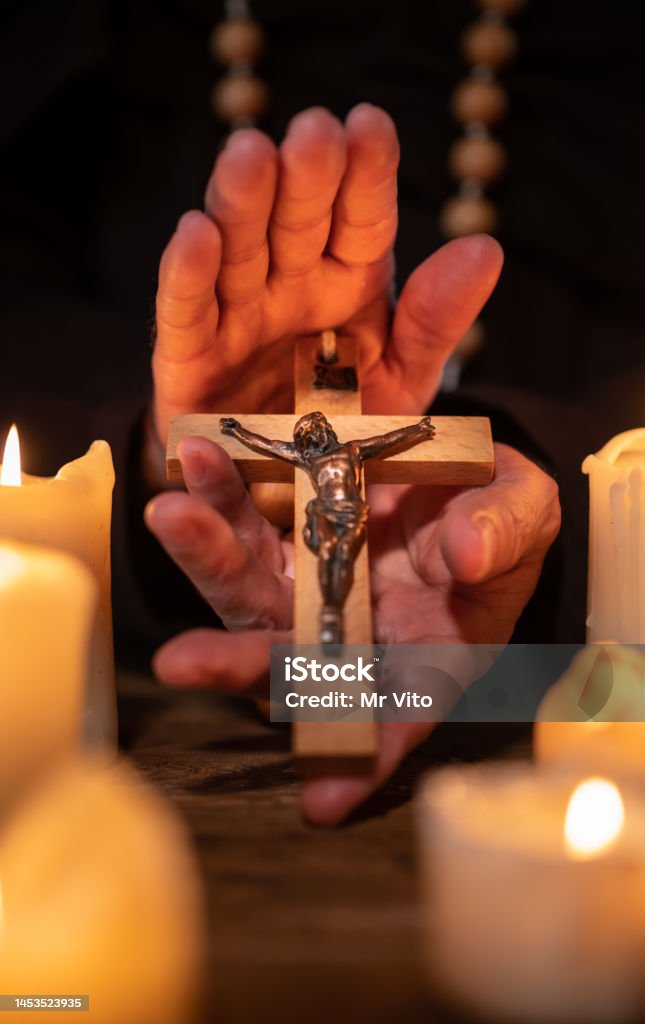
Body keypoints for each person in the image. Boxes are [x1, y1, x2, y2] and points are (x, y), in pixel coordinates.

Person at [143, 105, 560, 824]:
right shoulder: (299, 451)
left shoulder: (351, 446)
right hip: (319, 527)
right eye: (305, 439)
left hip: (355, 526)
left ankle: (334, 671)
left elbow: (389, 445)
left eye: (313, 436)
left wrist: (430, 430)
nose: (314, 442)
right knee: (332, 599)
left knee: (335, 592)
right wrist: (211, 435)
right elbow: (264, 446)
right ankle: (334, 673)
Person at [220, 410, 435, 644]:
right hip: (323, 510)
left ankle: (335, 607)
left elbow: (386, 440)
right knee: (327, 550)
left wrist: (417, 429)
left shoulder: (352, 450)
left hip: (351, 512)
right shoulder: (306, 457)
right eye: (310, 431)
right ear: (305, 439)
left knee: (343, 556)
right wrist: (237, 430)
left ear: (327, 430)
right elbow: (267, 444)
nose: (317, 433)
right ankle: (329, 615)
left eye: (319, 428)